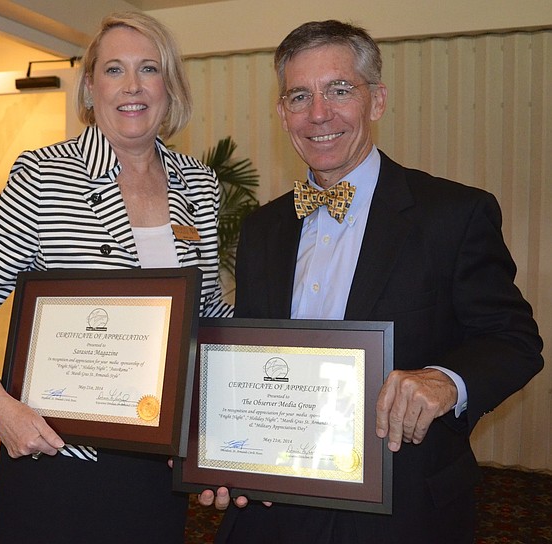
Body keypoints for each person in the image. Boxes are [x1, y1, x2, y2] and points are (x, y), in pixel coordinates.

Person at [211, 20, 544, 544]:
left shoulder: (453, 214)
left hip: (403, 508)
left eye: (339, 90)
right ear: (282, 114)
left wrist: (444, 380)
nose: (319, 113)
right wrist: (222, 450)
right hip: (275, 508)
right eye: (300, 96)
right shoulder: (262, 228)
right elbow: (254, 357)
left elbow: (515, 340)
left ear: (377, 101)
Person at [0, 11, 232, 543]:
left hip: (160, 460)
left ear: (171, 86)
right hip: (55, 452)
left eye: (150, 69)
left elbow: (206, 313)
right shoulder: (44, 175)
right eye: (115, 70)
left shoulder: (200, 185)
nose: (133, 86)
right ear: (91, 87)